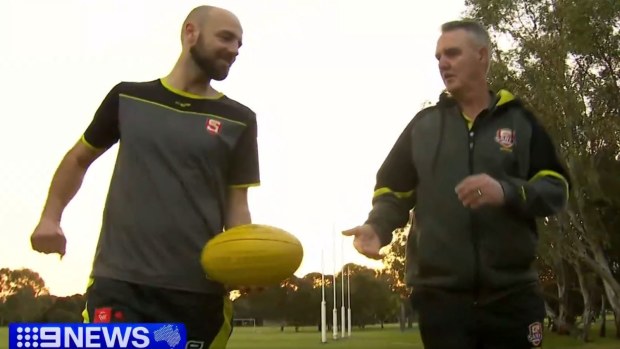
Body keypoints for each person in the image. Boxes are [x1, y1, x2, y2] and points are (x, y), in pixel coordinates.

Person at [30, 5, 259, 348]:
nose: (234, 49)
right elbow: (79, 159)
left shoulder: (239, 119)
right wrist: (50, 217)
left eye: (239, 44)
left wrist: (245, 261)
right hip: (120, 284)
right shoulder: (129, 98)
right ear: (190, 32)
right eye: (226, 38)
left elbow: (236, 204)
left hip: (197, 292)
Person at [343, 20, 570, 349]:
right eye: (438, 57)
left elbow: (556, 187)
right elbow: (392, 191)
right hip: (442, 303)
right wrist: (377, 227)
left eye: (451, 53)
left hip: (514, 298)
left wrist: (507, 191)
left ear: (482, 56)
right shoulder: (423, 126)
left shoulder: (521, 122)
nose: (442, 63)